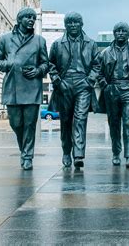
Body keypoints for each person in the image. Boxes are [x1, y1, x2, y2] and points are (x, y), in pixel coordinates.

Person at [0, 7, 49, 170]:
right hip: (13, 88)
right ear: (20, 20)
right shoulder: (5, 39)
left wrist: (38, 71)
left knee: (30, 124)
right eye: (28, 17)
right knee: (16, 123)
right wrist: (9, 64)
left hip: (32, 87)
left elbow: (46, 63)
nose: (31, 20)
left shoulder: (39, 41)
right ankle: (24, 150)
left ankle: (27, 156)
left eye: (33, 18)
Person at [48, 12, 100, 168]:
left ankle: (78, 154)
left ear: (81, 24)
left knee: (80, 118)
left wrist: (89, 80)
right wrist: (58, 81)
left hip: (83, 85)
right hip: (64, 85)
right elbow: (51, 65)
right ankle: (66, 152)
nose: (72, 25)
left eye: (76, 22)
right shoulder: (57, 44)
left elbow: (97, 65)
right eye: (69, 22)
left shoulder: (91, 44)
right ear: (65, 25)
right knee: (65, 121)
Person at [98, 22, 129, 168]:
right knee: (114, 124)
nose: (121, 33)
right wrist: (105, 86)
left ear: (128, 34)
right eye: (118, 31)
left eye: (124, 31)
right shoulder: (105, 53)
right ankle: (116, 153)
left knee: (128, 124)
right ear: (114, 33)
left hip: (128, 89)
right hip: (112, 89)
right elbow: (99, 73)